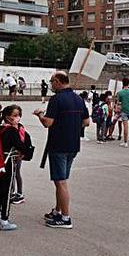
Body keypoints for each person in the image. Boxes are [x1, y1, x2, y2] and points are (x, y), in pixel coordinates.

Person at [33, 71, 90, 229]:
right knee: (62, 180)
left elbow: (48, 123)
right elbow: (86, 122)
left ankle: (65, 217)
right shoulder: (79, 99)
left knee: (60, 182)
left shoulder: (56, 99)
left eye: (52, 82)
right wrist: (71, 125)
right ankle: (58, 211)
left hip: (58, 144)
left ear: (58, 81)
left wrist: (40, 115)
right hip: (73, 145)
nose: (51, 84)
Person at [0, 104, 33, 231]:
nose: (18, 118)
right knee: (7, 191)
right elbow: (21, 146)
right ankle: (4, 219)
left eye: (19, 115)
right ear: (8, 117)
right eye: (15, 115)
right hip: (8, 161)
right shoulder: (11, 131)